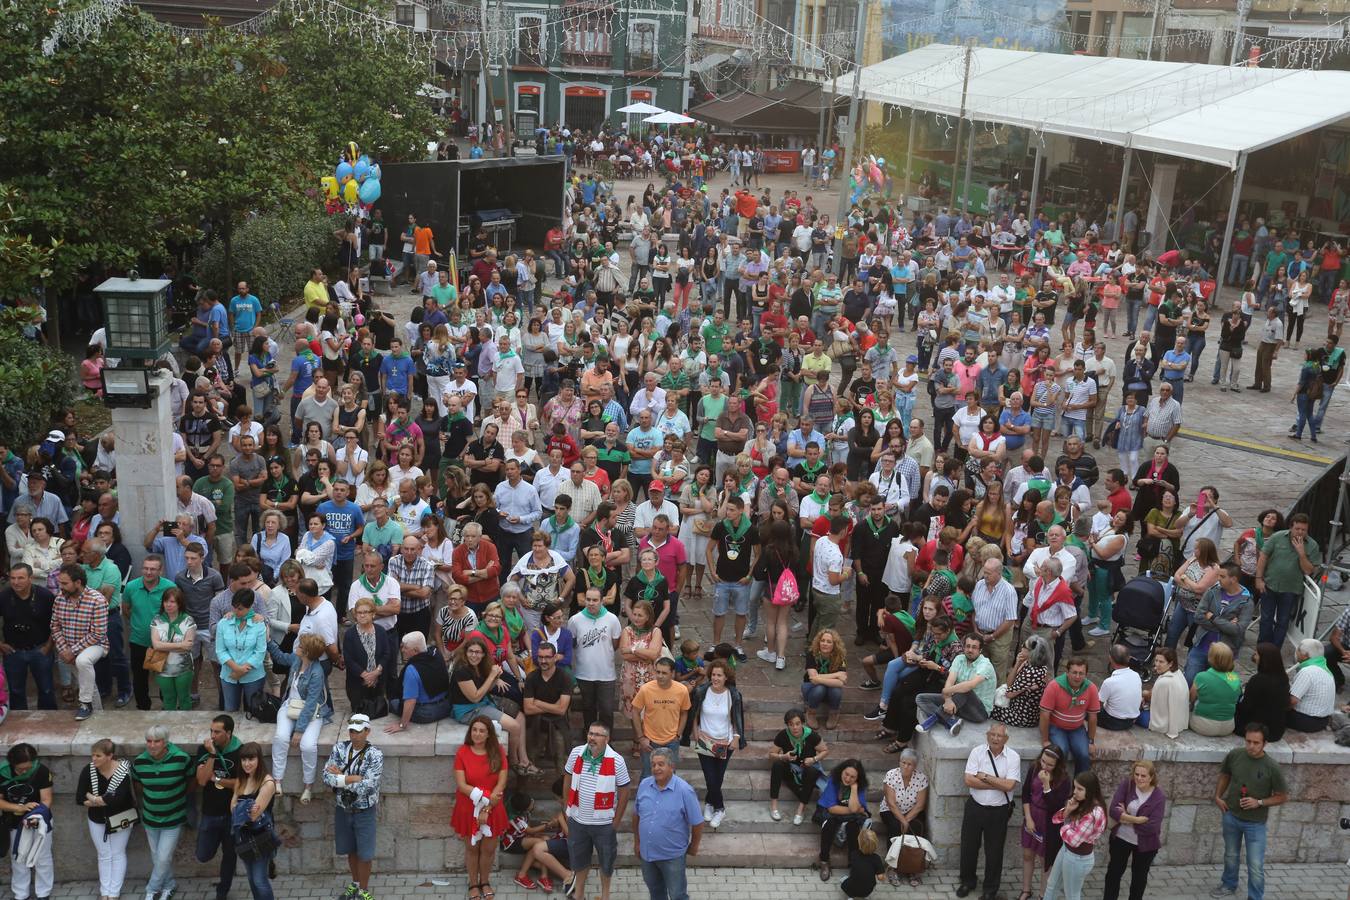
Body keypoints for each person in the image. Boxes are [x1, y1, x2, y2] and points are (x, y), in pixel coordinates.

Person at [1210, 724, 1287, 900]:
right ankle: (1229, 885)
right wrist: (1218, 796)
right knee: (1230, 854)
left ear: (1265, 743)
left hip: (1256, 823)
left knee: (1255, 864)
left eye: (1256, 743)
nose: (1251, 746)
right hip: (1231, 815)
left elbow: (1282, 797)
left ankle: (1255, 897)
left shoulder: (1272, 767)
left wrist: (1258, 802)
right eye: (1248, 741)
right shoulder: (1235, 755)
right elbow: (1225, 775)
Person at [564, 722, 632, 900]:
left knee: (606, 862)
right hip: (578, 820)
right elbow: (567, 778)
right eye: (590, 733)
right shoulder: (576, 753)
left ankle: (605, 896)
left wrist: (615, 823)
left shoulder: (617, 760)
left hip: (604, 824)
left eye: (597, 735)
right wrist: (567, 807)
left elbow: (625, 792)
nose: (592, 738)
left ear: (607, 739)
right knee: (579, 861)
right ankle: (579, 895)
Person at [130, 724, 196, 900]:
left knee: (163, 856)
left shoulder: (181, 759)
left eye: (156, 741)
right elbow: (138, 786)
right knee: (157, 857)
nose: (151, 745)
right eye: (148, 741)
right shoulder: (140, 762)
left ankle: (151, 890)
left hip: (174, 817)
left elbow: (191, 782)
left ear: (165, 742)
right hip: (150, 818)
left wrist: (176, 798)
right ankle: (169, 885)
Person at [322, 714, 384, 900]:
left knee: (364, 853)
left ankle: (364, 891)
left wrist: (340, 777)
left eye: (358, 732)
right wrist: (352, 778)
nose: (354, 735)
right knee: (350, 849)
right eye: (351, 731)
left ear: (367, 731)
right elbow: (326, 777)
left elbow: (369, 785)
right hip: (343, 808)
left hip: (364, 810)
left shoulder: (375, 754)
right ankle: (355, 884)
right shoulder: (340, 749)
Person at [957, 721, 1021, 900]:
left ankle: (990, 890)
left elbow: (1009, 785)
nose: (995, 738)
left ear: (1005, 739)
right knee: (969, 847)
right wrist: (997, 783)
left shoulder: (1013, 757)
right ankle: (967, 882)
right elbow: (969, 780)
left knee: (994, 852)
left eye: (999, 735)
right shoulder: (977, 752)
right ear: (987, 735)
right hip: (975, 807)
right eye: (992, 734)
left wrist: (985, 777)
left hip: (998, 812)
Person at [633, 745, 704, 900]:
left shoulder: (685, 791)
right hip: (647, 854)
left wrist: (694, 846)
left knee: (677, 895)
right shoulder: (644, 784)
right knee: (655, 892)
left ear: (672, 766)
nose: (656, 768)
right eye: (653, 765)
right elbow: (636, 815)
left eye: (661, 764)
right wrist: (637, 842)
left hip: (672, 856)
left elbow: (697, 822)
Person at [452, 715, 510, 900]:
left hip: (493, 806)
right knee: (472, 848)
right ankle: (473, 883)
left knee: (489, 849)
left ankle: (485, 881)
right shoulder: (462, 752)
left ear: (488, 734)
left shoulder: (498, 751)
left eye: (482, 731)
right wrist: (486, 798)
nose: (477, 734)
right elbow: (462, 785)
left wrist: (487, 809)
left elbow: (501, 782)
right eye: (474, 730)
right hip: (469, 807)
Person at [686, 657, 743, 829]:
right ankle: (720, 808)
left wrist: (736, 737)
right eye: (713, 674)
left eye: (720, 675)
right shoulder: (701, 691)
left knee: (717, 778)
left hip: (725, 742)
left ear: (726, 677)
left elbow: (737, 718)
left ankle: (710, 803)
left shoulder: (733, 694)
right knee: (710, 777)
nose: (716, 678)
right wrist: (695, 732)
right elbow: (694, 714)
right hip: (705, 740)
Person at [78, 738, 137, 900]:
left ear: (110, 756)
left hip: (121, 818)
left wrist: (92, 798)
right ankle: (105, 892)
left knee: (118, 853)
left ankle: (114, 893)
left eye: (98, 756)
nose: (93, 759)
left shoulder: (122, 771)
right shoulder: (88, 770)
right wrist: (100, 799)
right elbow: (78, 797)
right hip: (96, 819)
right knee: (103, 854)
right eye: (93, 755)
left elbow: (116, 800)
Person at [194, 715, 244, 900]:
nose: (212, 735)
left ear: (228, 733)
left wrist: (218, 779)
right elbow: (201, 780)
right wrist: (213, 755)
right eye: (211, 731)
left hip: (232, 813)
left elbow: (241, 784)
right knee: (203, 854)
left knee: (229, 855)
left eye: (217, 732)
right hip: (210, 812)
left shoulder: (241, 751)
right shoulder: (204, 750)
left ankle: (223, 890)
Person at [51, 563, 108, 721]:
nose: (60, 587)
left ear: (78, 583)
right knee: (87, 682)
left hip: (95, 645)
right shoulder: (60, 599)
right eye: (60, 583)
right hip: (68, 648)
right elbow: (55, 626)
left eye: (64, 583)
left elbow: (98, 633)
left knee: (83, 661)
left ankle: (84, 703)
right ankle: (99, 715)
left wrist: (73, 651)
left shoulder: (97, 600)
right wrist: (64, 650)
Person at [1103, 760, 1166, 900]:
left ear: (1151, 777)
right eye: (1136, 774)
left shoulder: (1159, 797)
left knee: (1139, 879)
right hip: (1121, 839)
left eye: (1143, 776)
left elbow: (1152, 826)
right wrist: (1137, 820)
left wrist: (1125, 817)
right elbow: (1113, 810)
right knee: (1113, 874)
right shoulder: (1127, 784)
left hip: (1145, 845)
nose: (1139, 778)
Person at [1255, 513, 1320, 648]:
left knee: (1283, 621)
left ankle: (1275, 650)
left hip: (1291, 589)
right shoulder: (1278, 537)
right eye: (1297, 529)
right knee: (1266, 619)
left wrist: (1301, 553)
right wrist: (1258, 578)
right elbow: (1263, 556)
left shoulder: (1312, 545)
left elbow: (1308, 570)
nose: (1300, 532)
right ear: (1291, 527)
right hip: (1270, 584)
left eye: (1304, 530)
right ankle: (1262, 649)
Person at [0, 743, 54, 900]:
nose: (24, 771)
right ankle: (20, 894)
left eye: (27, 768)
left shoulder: (41, 771)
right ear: (12, 764)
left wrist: (34, 816)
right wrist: (20, 807)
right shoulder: (3, 773)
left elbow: (47, 799)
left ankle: (43, 893)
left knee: (43, 857)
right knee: (18, 858)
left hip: (39, 820)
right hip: (14, 821)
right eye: (20, 769)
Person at [1041, 771, 1107, 900]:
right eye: (1075, 787)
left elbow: (1073, 840)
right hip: (1066, 850)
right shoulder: (1081, 801)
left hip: (1078, 858)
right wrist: (1068, 811)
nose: (1075, 792)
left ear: (1090, 790)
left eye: (1080, 789)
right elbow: (1056, 819)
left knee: (1071, 895)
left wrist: (1066, 823)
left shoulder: (1094, 813)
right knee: (1051, 885)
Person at [0, 563, 57, 710]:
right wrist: (0, 644)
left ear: (30, 578)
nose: (16, 582)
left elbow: (57, 623)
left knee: (46, 689)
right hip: (12, 651)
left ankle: (49, 723)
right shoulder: (4, 596)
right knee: (15, 691)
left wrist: (49, 646)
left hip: (40, 649)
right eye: (12, 578)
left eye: (20, 578)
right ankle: (18, 725)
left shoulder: (45, 596)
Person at [1018, 744, 1072, 900]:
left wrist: (1046, 785)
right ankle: (1026, 890)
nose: (1045, 766)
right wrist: (1028, 817)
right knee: (1028, 854)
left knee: (1045, 860)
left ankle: (1043, 894)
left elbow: (1056, 806)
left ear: (1057, 765)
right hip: (1032, 815)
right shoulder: (1034, 768)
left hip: (1049, 822)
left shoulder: (1064, 780)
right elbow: (1026, 793)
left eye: (1050, 764)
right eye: (1043, 761)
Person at [1185, 563, 1255, 683]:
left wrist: (1213, 618)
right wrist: (1226, 625)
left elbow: (1238, 630)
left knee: (1213, 687)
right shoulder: (1212, 591)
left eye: (1222, 577)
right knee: (1189, 681)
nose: (1218, 579)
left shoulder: (1246, 602)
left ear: (1233, 579)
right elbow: (1198, 616)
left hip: (1224, 655)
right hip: (1201, 647)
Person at [915, 633, 996, 735]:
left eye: (974, 647)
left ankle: (930, 722)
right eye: (968, 646)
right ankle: (951, 722)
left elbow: (970, 685)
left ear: (980, 650)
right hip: (958, 704)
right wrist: (948, 699)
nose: (970, 650)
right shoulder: (960, 659)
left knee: (965, 689)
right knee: (921, 698)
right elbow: (950, 681)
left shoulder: (985, 665)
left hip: (979, 712)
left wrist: (945, 692)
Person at [228, 741, 278, 900]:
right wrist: (246, 807)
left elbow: (253, 816)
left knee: (259, 880)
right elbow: (232, 809)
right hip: (242, 836)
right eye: (244, 760)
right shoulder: (241, 780)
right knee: (251, 879)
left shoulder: (267, 782)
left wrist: (240, 807)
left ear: (259, 760)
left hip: (261, 836)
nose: (247, 764)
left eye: (251, 759)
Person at [568, 588, 622, 731]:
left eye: (595, 600)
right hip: (584, 674)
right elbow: (572, 643)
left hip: (606, 674)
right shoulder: (575, 620)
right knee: (588, 709)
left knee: (606, 710)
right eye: (588, 600)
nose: (591, 603)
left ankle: (607, 740)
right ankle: (589, 738)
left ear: (602, 600)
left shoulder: (612, 619)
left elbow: (615, 644)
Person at [630, 657, 690, 780]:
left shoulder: (682, 690)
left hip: (672, 742)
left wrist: (678, 734)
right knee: (648, 776)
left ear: (672, 673)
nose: (660, 676)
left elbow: (684, 712)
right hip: (650, 742)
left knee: (670, 777)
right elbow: (635, 711)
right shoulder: (646, 689)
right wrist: (641, 738)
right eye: (658, 672)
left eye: (664, 673)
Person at [768, 707, 829, 825]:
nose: (795, 727)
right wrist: (783, 756)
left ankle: (800, 810)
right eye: (791, 724)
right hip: (791, 770)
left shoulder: (811, 735)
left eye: (797, 724)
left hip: (807, 770)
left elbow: (825, 751)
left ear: (802, 723)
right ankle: (774, 807)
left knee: (812, 771)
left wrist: (814, 759)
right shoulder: (783, 735)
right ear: (787, 725)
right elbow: (771, 754)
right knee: (777, 765)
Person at [1039, 657, 1100, 775]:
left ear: (1086, 675)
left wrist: (1091, 742)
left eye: (1081, 673)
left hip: (1077, 729)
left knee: (1084, 754)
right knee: (1061, 752)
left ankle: (1080, 788)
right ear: (1067, 673)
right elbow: (1044, 714)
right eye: (1074, 672)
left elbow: (1093, 717)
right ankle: (1058, 786)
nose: (1077, 676)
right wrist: (1045, 740)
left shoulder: (1091, 688)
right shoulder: (1054, 686)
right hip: (1056, 727)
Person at [813, 758, 870, 882]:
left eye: (853, 777)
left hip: (848, 816)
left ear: (857, 779)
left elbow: (855, 807)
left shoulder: (859, 787)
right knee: (829, 825)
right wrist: (855, 810)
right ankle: (824, 861)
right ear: (841, 772)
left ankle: (853, 865)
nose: (848, 779)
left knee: (853, 828)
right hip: (830, 812)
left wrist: (854, 789)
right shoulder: (834, 782)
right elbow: (832, 809)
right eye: (846, 774)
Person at [880, 748, 929, 887]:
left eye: (910, 764)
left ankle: (912, 868)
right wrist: (902, 820)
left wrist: (906, 820)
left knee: (916, 827)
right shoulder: (891, 775)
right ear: (899, 762)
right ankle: (892, 867)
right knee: (894, 826)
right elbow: (890, 802)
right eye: (903, 763)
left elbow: (920, 805)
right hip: (890, 810)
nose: (906, 767)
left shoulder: (921, 778)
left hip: (912, 811)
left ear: (915, 766)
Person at [340, 596, 397, 713]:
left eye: (366, 612)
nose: (362, 615)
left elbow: (387, 653)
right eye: (359, 612)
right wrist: (366, 675)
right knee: (360, 711)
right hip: (357, 681)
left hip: (378, 680)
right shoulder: (350, 634)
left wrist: (376, 673)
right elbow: (349, 659)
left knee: (378, 710)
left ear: (373, 614)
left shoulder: (381, 631)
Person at [217, 589, 268, 712]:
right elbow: (220, 650)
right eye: (234, 607)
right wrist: (236, 668)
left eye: (240, 609)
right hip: (229, 674)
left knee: (254, 710)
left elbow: (260, 651)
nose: (235, 611)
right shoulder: (223, 623)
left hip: (253, 675)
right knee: (230, 709)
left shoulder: (259, 624)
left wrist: (244, 668)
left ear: (250, 607)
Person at [390, 630, 451, 728]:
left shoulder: (412, 670)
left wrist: (402, 725)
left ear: (415, 651)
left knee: (393, 702)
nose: (402, 650)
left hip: (426, 713)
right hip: (446, 706)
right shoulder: (436, 654)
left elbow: (410, 701)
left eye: (405, 647)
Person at [1287, 637, 1335, 732]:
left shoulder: (1307, 671)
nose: (1296, 652)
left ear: (1306, 656)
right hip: (1323, 720)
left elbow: (1292, 701)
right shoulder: (1326, 670)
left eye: (1299, 650)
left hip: (1306, 721)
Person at [1145, 648, 1190, 739]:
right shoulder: (1178, 673)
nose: (1156, 664)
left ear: (1170, 664)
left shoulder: (1165, 682)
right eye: (1156, 660)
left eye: (1161, 662)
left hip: (1164, 724)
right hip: (1180, 721)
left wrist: (1143, 695)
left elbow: (1153, 701)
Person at [1098, 644, 1143, 730]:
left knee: (1084, 708)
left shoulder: (1109, 682)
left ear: (1111, 659)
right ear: (1129, 658)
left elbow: (1097, 706)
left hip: (1113, 721)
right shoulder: (1136, 675)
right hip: (1131, 721)